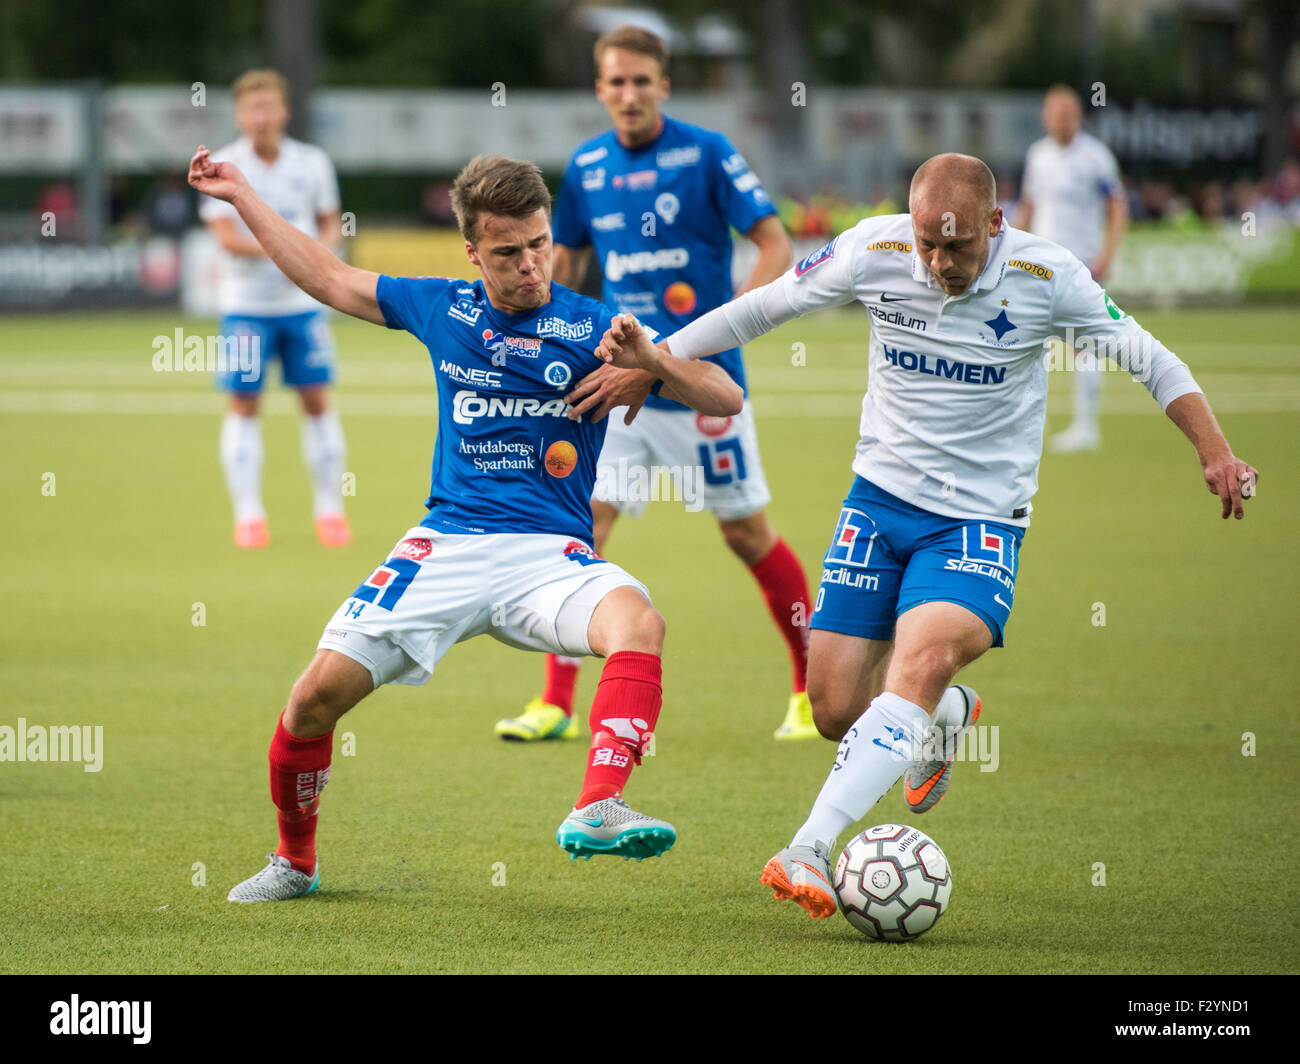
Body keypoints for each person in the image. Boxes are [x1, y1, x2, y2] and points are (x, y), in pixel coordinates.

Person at [590, 152, 1258, 921]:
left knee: (928, 654)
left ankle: (809, 845)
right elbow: (762, 308)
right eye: (927, 245)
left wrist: (1214, 451)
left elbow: (1150, 359)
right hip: (877, 504)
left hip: (978, 520)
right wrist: (659, 361)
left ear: (997, 226)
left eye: (958, 247)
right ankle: (942, 716)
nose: (939, 262)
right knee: (836, 708)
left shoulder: (1049, 276)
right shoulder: (874, 249)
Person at [187, 146, 743, 901]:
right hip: (443, 546)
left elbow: (724, 396)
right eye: (508, 253)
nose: (530, 266)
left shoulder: (597, 327)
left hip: (552, 558)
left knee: (639, 623)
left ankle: (598, 804)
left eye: (540, 245)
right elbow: (327, 277)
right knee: (313, 698)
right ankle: (295, 861)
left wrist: (653, 362)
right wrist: (242, 194)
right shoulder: (441, 306)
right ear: (473, 251)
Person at [497, 24, 818, 745]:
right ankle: (555, 702)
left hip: (698, 382)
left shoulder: (706, 153)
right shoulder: (585, 167)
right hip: (615, 384)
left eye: (643, 81)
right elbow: (571, 270)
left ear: (664, 86)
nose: (630, 93)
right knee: (581, 530)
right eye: (616, 81)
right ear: (600, 88)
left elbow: (775, 244)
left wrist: (724, 329)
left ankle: (808, 688)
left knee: (746, 534)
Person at [199, 69, 351, 549]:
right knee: (244, 404)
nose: (260, 117)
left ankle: (330, 510)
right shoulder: (223, 163)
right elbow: (224, 236)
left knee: (316, 399)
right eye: (251, 108)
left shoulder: (312, 162)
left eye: (269, 107)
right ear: (240, 115)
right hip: (246, 306)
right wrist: (286, 250)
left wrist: (314, 257)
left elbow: (332, 224)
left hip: (303, 305)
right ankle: (249, 515)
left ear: (283, 111)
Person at [1016, 84, 1128, 453]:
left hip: (1080, 259)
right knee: (1029, 340)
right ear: (1046, 116)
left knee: (1083, 343)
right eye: (1054, 113)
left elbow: (1116, 206)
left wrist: (1108, 251)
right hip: (1040, 260)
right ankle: (1027, 419)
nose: (1059, 120)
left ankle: (1086, 426)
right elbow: (1029, 205)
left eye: (1066, 113)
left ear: (1078, 116)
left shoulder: (1096, 157)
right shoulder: (1038, 155)